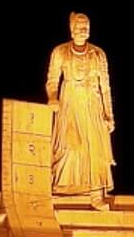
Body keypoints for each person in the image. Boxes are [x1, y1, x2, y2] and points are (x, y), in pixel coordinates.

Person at [45, 12, 115, 207]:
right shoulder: (59, 52)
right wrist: (52, 97)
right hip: (69, 103)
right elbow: (52, 80)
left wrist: (109, 115)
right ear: (71, 29)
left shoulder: (98, 54)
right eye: (79, 26)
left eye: (86, 27)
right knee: (67, 146)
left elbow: (106, 87)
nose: (83, 30)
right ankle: (60, 189)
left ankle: (95, 196)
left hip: (93, 105)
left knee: (95, 150)